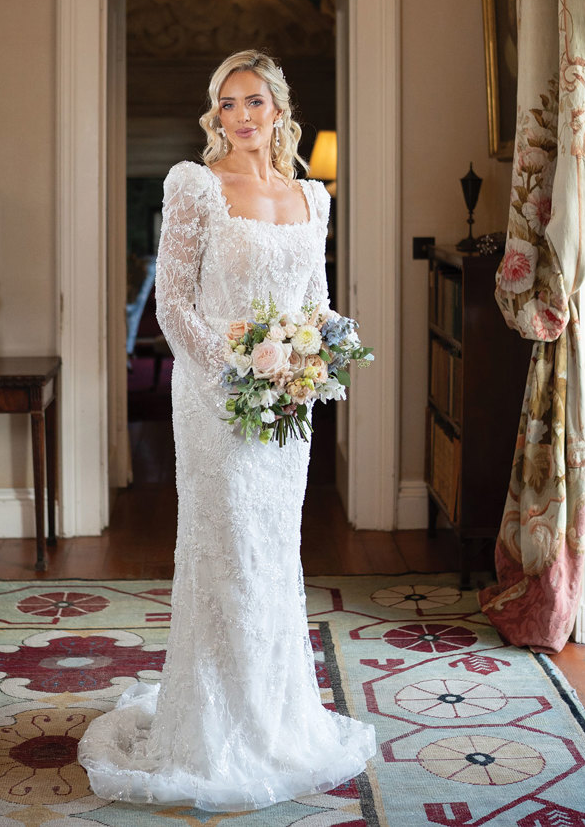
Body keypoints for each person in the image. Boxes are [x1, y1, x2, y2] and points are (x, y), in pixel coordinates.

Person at [78, 50, 376, 811]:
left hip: (289, 410)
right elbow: (173, 308)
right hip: (217, 402)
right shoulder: (195, 186)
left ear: (279, 107)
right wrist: (239, 370)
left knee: (274, 554)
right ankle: (207, 730)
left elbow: (316, 299)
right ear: (216, 115)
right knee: (228, 551)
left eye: (254, 101)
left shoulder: (314, 196)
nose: (242, 116)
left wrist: (320, 356)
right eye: (228, 103)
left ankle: (277, 717)